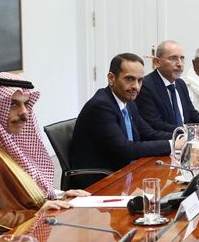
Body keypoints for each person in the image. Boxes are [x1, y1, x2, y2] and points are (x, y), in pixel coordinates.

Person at [0, 73, 88, 234]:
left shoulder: (9, 138)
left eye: (26, 104)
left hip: (33, 233)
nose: (24, 112)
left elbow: (23, 190)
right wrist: (33, 216)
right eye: (13, 104)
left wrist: (59, 197)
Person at [70, 53, 173, 189]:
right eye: (129, 79)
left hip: (125, 174)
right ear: (111, 78)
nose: (136, 86)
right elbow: (126, 150)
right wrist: (172, 145)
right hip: (100, 183)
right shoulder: (101, 106)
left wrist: (182, 136)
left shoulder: (128, 102)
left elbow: (149, 133)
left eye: (140, 80)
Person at [135, 40, 199, 133]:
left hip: (185, 138)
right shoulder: (146, 86)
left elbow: (192, 115)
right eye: (173, 58)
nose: (180, 64)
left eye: (182, 58)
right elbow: (155, 124)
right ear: (157, 62)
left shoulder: (180, 83)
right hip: (166, 140)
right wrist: (193, 130)